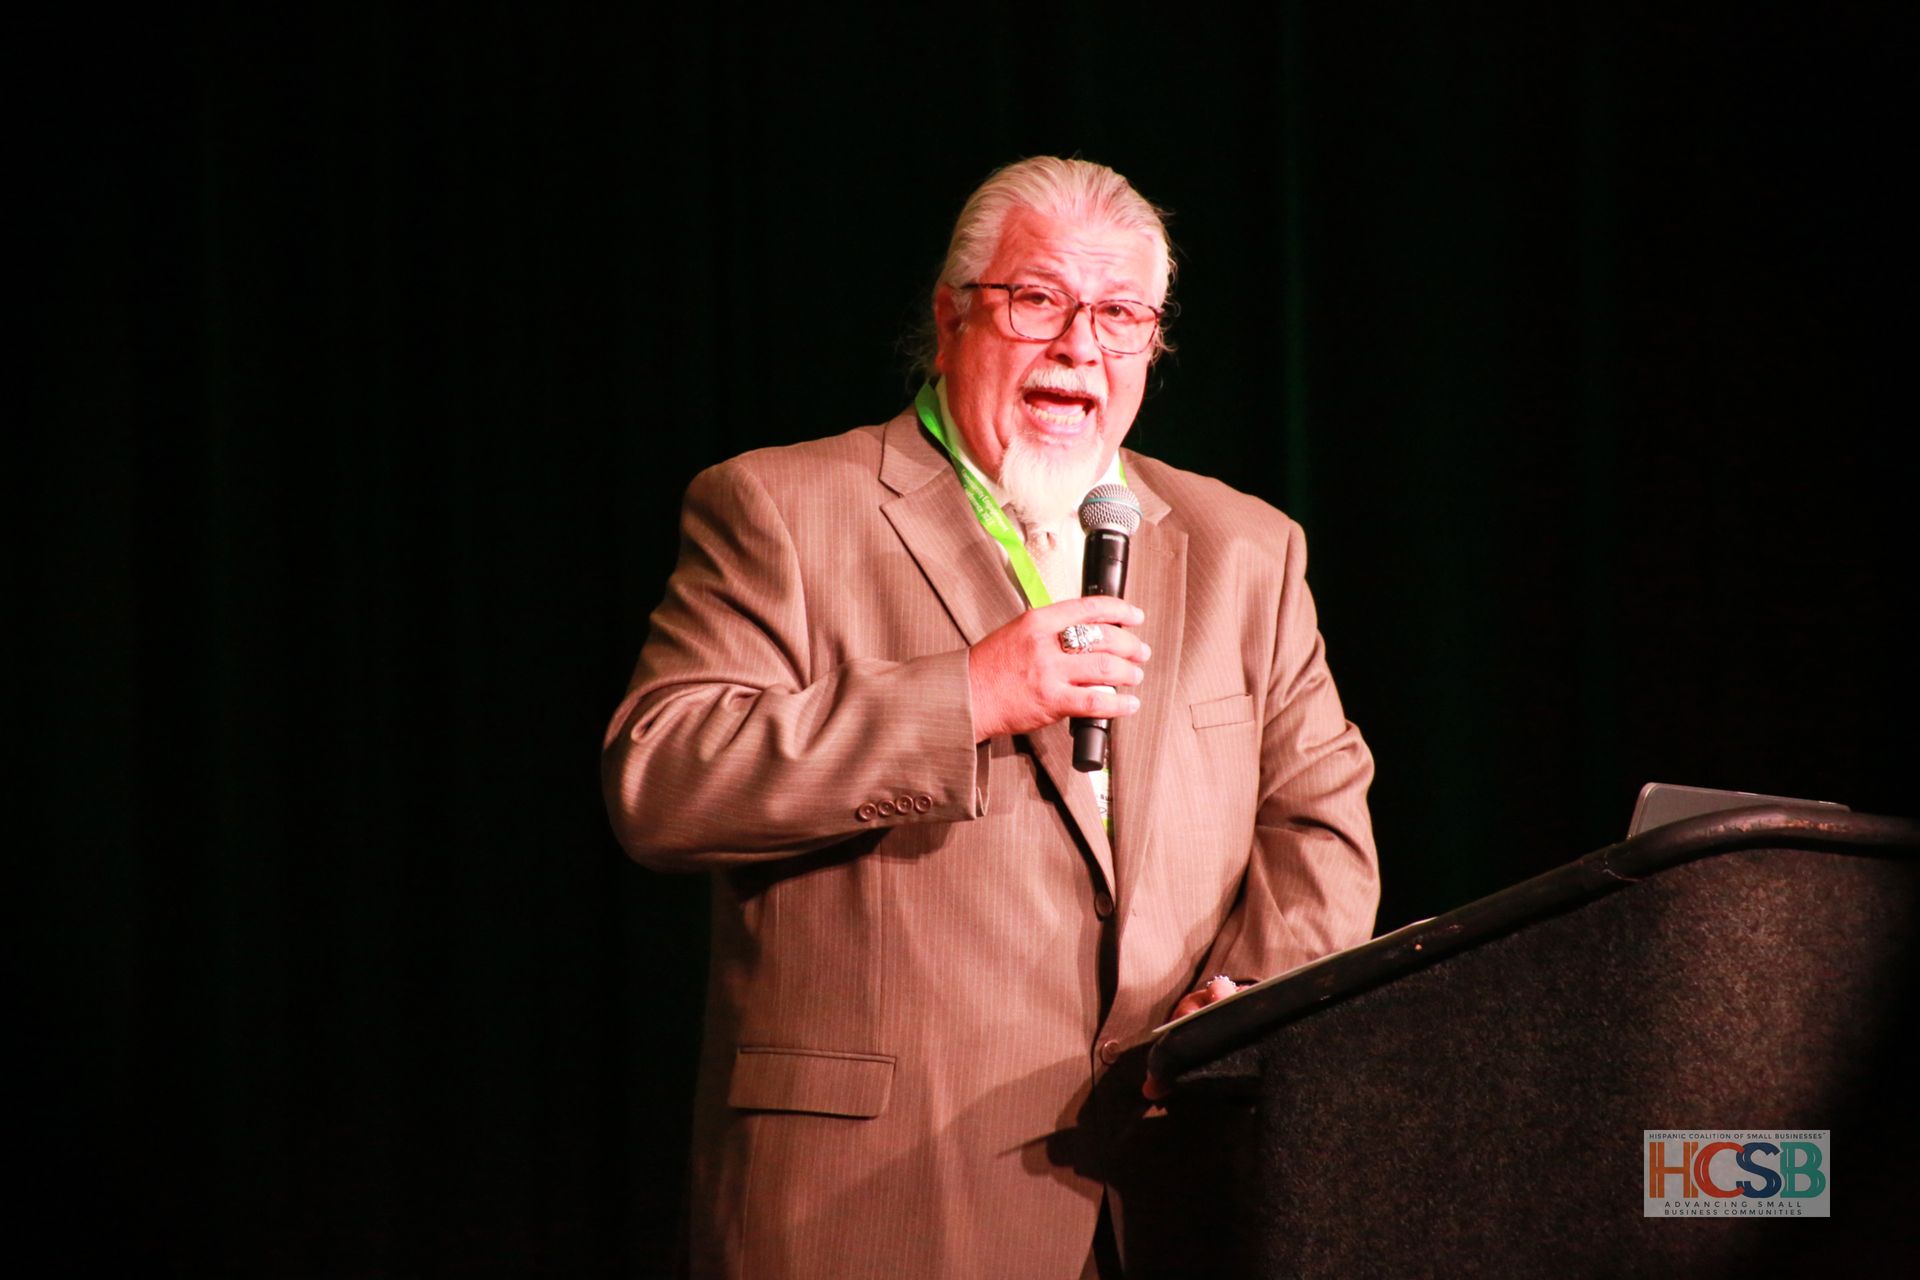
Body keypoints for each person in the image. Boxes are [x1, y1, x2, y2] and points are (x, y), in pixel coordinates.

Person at [602, 156, 1378, 1279]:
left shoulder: (1247, 549)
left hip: (1175, 1191)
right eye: (1038, 300)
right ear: (951, 312)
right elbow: (662, 781)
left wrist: (1253, 1000)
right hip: (883, 1198)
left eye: (1121, 315)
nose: (1079, 346)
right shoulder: (780, 507)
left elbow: (1319, 824)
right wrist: (969, 694)